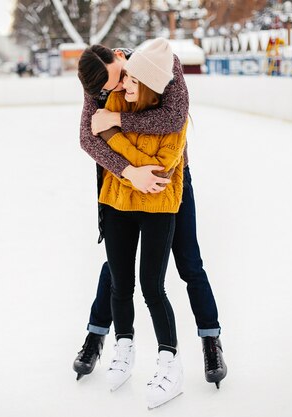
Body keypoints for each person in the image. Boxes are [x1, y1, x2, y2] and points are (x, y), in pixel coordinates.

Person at [74, 39, 227, 391]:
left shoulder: (158, 62)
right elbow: (87, 137)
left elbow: (174, 118)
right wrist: (128, 171)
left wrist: (117, 120)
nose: (114, 89)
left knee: (189, 261)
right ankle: (97, 337)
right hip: (121, 180)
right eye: (106, 89)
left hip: (167, 175)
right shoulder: (97, 79)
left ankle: (211, 340)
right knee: (117, 265)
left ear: (119, 55)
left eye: (117, 79)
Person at [94, 38, 186, 408]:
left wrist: (118, 137)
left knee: (152, 285)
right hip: (117, 201)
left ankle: (169, 362)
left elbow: (160, 170)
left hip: (158, 204)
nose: (123, 86)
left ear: (148, 84)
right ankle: (124, 347)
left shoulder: (173, 120)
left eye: (132, 81)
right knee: (120, 281)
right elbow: (97, 134)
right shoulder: (119, 98)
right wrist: (133, 166)